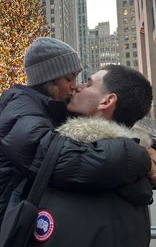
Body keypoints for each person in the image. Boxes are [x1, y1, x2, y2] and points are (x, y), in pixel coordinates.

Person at [0, 38, 152, 247]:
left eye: (84, 81)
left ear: (107, 101)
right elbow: (54, 156)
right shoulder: (21, 108)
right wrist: (139, 154)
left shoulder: (58, 116)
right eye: (70, 78)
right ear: (49, 80)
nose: (76, 86)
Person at [31, 64, 154, 247]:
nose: (76, 87)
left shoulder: (93, 161)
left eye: (88, 83)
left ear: (106, 101)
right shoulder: (130, 163)